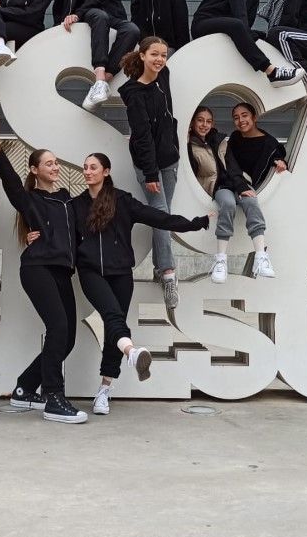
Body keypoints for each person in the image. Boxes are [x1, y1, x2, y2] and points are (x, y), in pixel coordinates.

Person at [71, 152, 208, 416]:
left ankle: (104, 390)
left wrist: (193, 224)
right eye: (85, 167)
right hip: (90, 272)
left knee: (115, 326)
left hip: (121, 273)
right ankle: (132, 353)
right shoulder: (76, 205)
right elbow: (58, 230)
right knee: (113, 317)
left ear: (106, 171)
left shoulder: (122, 201)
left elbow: (159, 218)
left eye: (93, 167)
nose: (87, 172)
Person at [0, 118, 87, 424]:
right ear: (34, 169)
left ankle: (25, 387)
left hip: (62, 271)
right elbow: (12, 185)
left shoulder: (68, 200)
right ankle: (53, 398)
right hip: (37, 268)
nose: (55, 167)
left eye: (57, 163)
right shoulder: (30, 200)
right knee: (57, 328)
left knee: (67, 338)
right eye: (49, 163)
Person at [118, 36, 182, 310]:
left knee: (162, 217)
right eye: (154, 54)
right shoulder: (134, 94)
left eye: (163, 55)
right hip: (149, 165)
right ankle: (168, 273)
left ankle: (161, 269)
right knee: (162, 216)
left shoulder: (162, 76)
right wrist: (151, 174)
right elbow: (142, 137)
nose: (159, 60)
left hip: (170, 160)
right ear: (142, 55)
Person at [187, 105, 275, 283]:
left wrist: (242, 187)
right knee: (227, 203)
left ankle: (261, 256)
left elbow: (233, 166)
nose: (204, 125)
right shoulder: (189, 145)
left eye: (208, 121)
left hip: (236, 182)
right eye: (200, 120)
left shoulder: (221, 141)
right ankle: (220, 260)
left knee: (251, 201)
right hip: (218, 187)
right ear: (193, 122)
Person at [227, 101, 288, 196]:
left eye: (244, 115)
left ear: (254, 118)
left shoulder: (269, 143)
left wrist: (280, 161)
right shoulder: (235, 137)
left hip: (256, 191)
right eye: (236, 118)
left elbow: (277, 156)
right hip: (234, 184)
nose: (241, 120)